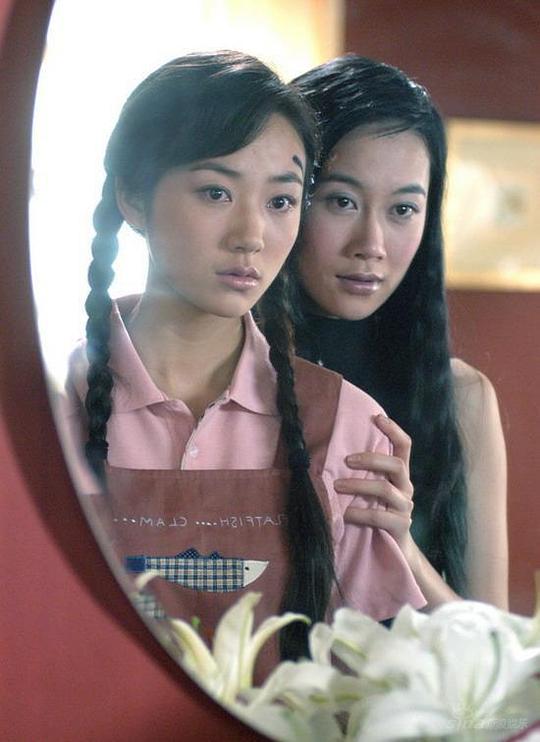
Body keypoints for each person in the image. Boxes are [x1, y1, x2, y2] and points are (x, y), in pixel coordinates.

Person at [65, 51, 425, 672]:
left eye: (281, 201)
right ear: (133, 196)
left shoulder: (347, 425)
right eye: (216, 192)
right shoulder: (41, 406)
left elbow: (373, 679)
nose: (251, 235)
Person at [291, 55, 508, 609]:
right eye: (341, 201)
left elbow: (493, 644)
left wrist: (401, 547)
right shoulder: (231, 381)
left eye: (403, 209)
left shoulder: (461, 397)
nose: (371, 244)